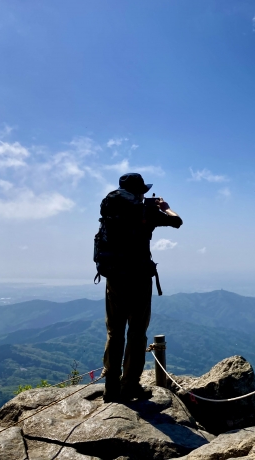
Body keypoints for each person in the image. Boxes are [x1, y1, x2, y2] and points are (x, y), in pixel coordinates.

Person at [95, 172, 182, 403]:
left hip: (114, 278)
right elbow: (177, 221)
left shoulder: (110, 208)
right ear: (140, 191)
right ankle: (130, 386)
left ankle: (111, 388)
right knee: (136, 333)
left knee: (114, 332)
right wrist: (165, 207)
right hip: (139, 279)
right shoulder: (147, 211)